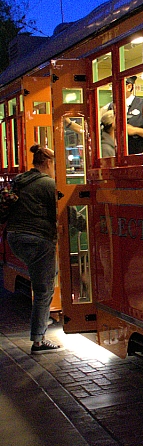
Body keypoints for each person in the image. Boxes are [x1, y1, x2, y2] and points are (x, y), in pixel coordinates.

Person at [5, 145, 62, 352]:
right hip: (38, 239)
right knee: (44, 289)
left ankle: (41, 322)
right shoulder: (48, 184)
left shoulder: (20, 179)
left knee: (45, 278)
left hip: (15, 237)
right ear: (48, 163)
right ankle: (38, 339)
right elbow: (59, 209)